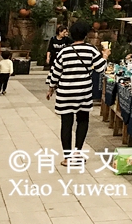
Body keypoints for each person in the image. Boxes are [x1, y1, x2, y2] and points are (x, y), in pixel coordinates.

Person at [45, 21, 110, 165]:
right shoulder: (91, 50)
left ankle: (67, 158)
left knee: (66, 124)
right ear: (85, 35)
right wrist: (105, 55)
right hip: (83, 93)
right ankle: (77, 152)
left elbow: (55, 73)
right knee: (82, 121)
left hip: (65, 93)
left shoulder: (64, 51)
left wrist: (51, 89)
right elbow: (101, 68)